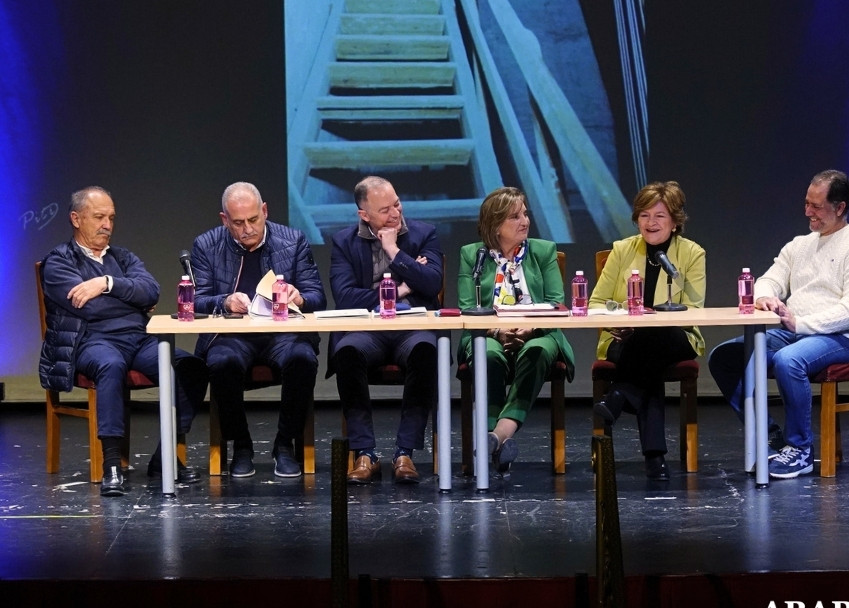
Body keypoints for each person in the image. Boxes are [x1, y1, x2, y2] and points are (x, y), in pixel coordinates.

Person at [707, 169, 849, 479]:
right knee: (724, 357)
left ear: (840, 207)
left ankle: (800, 450)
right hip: (798, 331)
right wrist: (766, 298)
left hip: (847, 337)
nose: (808, 212)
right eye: (806, 203)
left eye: (816, 206)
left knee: (789, 360)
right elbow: (769, 278)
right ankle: (769, 435)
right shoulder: (800, 245)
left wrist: (800, 322)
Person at [39, 186, 208, 496]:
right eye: (99, 217)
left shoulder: (123, 257)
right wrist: (133, 300)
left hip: (138, 339)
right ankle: (112, 466)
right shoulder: (59, 263)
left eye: (111, 218)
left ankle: (164, 458)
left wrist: (107, 282)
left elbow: (152, 291)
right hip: (91, 342)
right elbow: (90, 307)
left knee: (190, 367)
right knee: (111, 365)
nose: (107, 225)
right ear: (76, 219)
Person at [190, 182, 326, 479]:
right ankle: (241, 445)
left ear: (264, 211)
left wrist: (298, 296)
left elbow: (318, 296)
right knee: (222, 363)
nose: (247, 229)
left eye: (253, 219)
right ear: (225, 219)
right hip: (234, 335)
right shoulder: (206, 245)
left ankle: (284, 445)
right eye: (238, 223)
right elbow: (196, 299)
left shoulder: (293, 240)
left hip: (283, 334)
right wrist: (224, 301)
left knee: (303, 359)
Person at [327, 177, 443, 485]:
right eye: (384, 210)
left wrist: (394, 251)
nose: (395, 214)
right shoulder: (344, 242)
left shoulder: (423, 233)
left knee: (425, 350)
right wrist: (404, 286)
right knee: (347, 352)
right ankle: (365, 453)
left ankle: (405, 453)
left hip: (411, 327)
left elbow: (432, 284)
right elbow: (346, 296)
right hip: (367, 329)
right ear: (363, 214)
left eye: (397, 204)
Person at [589, 181, 706, 480]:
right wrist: (621, 322)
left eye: (659, 216)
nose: (650, 223)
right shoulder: (622, 250)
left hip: (675, 338)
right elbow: (597, 302)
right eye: (644, 215)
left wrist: (649, 322)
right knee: (647, 359)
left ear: (675, 221)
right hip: (623, 339)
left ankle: (619, 395)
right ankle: (655, 458)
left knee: (653, 335)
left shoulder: (692, 254)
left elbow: (693, 308)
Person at [456, 187, 575, 474]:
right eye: (515, 216)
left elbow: (556, 304)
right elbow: (467, 306)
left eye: (525, 213)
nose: (525, 221)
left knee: (536, 352)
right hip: (487, 334)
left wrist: (529, 327)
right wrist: (499, 331)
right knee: (490, 357)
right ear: (495, 225)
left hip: (539, 332)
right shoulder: (472, 255)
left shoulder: (543, 251)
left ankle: (494, 437)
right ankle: (496, 441)